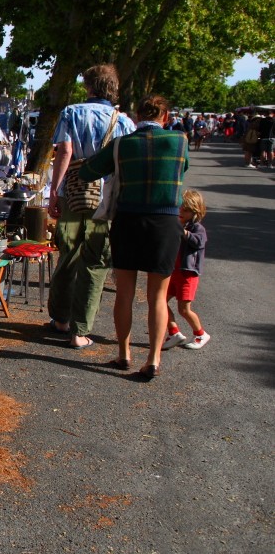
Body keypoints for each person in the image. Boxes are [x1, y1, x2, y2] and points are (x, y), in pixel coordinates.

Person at [79, 94, 189, 380]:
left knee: (125, 293)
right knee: (158, 296)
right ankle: (153, 359)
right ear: (166, 117)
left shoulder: (122, 144)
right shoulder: (180, 141)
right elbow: (182, 169)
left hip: (128, 221)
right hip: (165, 222)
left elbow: (90, 171)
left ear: (137, 117)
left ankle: (124, 353)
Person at [47, 64, 136, 350]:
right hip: (106, 197)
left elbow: (66, 151)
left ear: (89, 87)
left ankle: (60, 318)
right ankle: (80, 329)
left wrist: (55, 191)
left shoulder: (72, 112)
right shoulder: (122, 121)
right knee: (96, 261)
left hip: (74, 190)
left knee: (67, 254)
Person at [162, 189, 210, 350]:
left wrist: (184, 233)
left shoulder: (197, 228)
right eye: (180, 208)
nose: (181, 211)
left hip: (187, 274)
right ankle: (174, 332)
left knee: (184, 309)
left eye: (187, 210)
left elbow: (199, 242)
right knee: (160, 302)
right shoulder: (176, 223)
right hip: (172, 271)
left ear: (195, 212)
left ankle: (200, 333)